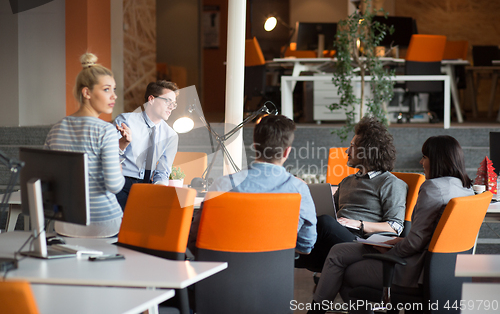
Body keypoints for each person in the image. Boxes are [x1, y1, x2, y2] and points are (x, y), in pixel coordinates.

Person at [308, 135, 474, 314]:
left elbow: (415, 242)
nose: (421, 162)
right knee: (337, 252)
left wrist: (389, 250)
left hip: (413, 268)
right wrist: (393, 242)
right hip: (445, 268)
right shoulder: (465, 189)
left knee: (343, 271)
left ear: (438, 160)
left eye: (425, 157)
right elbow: (423, 237)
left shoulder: (432, 188)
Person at [188, 114, 317, 255]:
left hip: (224, 272)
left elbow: (197, 238)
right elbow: (306, 244)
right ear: (287, 151)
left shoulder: (222, 185)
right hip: (276, 273)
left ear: (255, 146)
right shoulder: (298, 190)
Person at [295, 116, 407, 272]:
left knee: (325, 223)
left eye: (352, 146)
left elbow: (394, 227)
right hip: (336, 236)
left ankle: (294, 253)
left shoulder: (391, 183)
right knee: (302, 221)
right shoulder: (347, 181)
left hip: (361, 240)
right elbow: (329, 210)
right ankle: (288, 254)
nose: (347, 151)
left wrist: (359, 223)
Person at [44, 53, 125, 238]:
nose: (114, 95)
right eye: (106, 89)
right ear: (87, 92)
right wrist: (119, 168)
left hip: (65, 224)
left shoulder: (56, 129)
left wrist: (119, 148)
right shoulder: (106, 130)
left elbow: (46, 178)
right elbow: (114, 186)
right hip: (103, 224)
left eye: (114, 89)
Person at [114, 80, 179, 210]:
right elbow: (108, 156)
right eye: (168, 101)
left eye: (174, 103)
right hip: (121, 183)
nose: (171, 107)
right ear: (151, 99)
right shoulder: (126, 121)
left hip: (148, 188)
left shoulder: (171, 135)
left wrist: (159, 189)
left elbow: (162, 171)